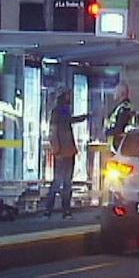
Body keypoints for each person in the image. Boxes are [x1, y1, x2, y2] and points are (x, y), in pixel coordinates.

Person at [43, 91, 88, 219]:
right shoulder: (59, 111)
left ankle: (59, 210)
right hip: (64, 152)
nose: (70, 98)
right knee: (61, 182)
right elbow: (53, 131)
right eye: (68, 95)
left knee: (64, 182)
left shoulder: (62, 110)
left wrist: (83, 117)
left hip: (67, 152)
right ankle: (55, 210)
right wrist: (57, 150)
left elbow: (68, 121)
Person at [104, 83, 134, 151]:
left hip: (119, 144)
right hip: (116, 145)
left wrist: (107, 132)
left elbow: (120, 128)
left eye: (115, 92)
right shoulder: (120, 107)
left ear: (122, 94)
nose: (114, 94)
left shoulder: (124, 108)